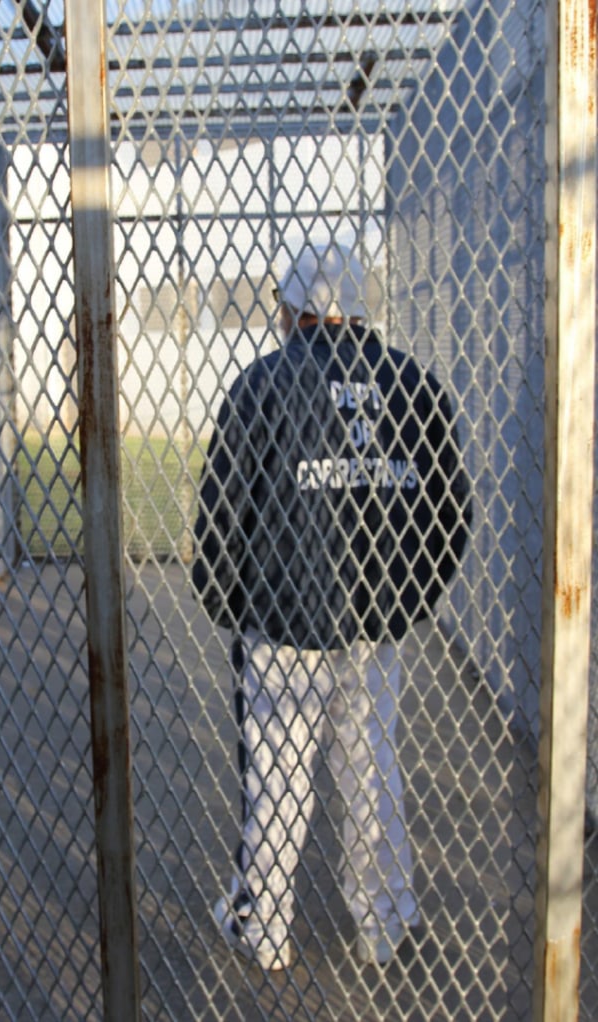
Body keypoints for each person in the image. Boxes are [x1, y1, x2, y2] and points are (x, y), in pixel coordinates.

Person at [192, 242, 471, 971]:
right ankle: (383, 919)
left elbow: (220, 517)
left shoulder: (263, 384)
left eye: (284, 308)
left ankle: (266, 927)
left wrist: (234, 605)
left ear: (296, 311)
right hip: (373, 623)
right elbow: (452, 512)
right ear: (360, 306)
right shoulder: (413, 385)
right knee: (371, 768)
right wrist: (405, 603)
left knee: (278, 778)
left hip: (285, 621)